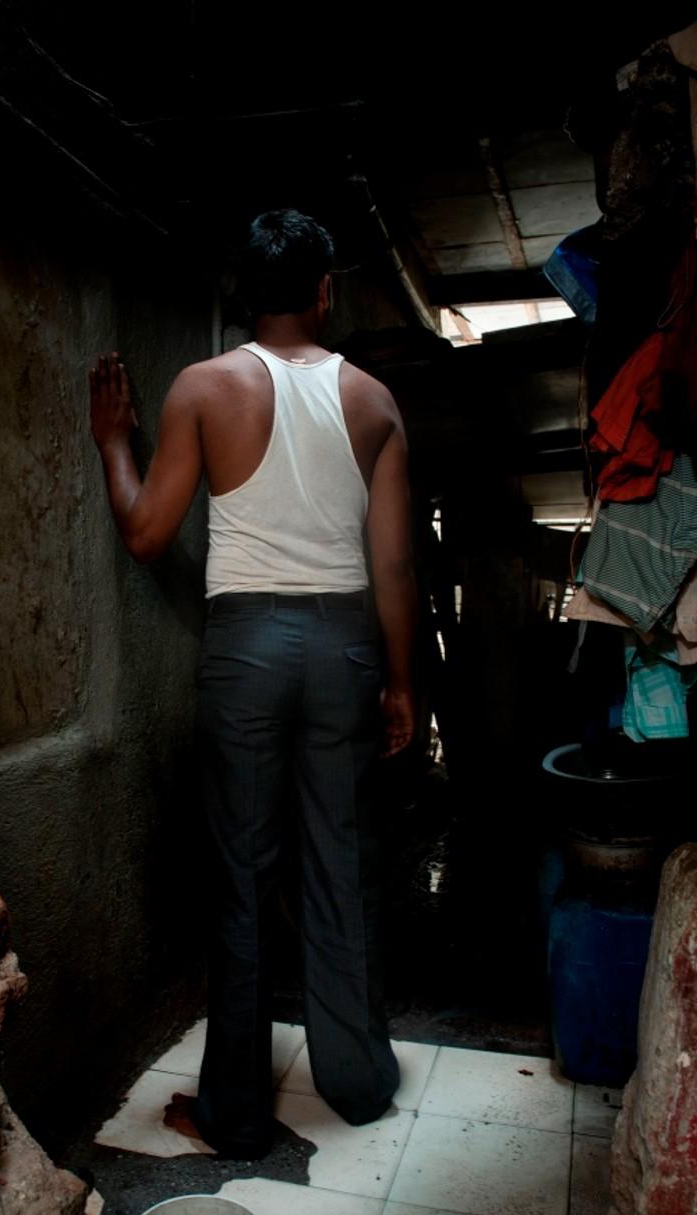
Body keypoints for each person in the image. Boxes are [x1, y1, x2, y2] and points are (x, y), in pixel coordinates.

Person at [89, 209, 417, 1158]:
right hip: (345, 645)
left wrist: (116, 442)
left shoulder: (204, 387)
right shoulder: (375, 402)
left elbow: (147, 533)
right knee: (342, 867)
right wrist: (400, 683)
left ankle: (235, 1114)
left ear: (246, 291)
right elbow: (394, 567)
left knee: (242, 877)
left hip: (245, 651)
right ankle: (356, 1085)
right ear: (324, 293)